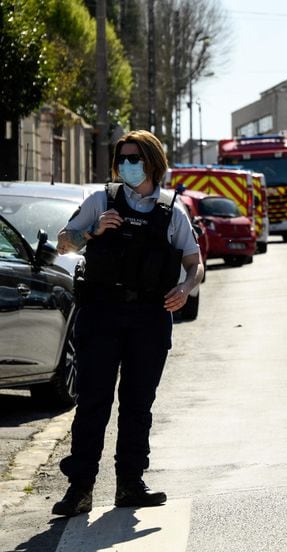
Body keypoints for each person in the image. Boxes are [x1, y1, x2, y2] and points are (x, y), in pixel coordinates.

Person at [52, 130, 205, 516]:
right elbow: (62, 243)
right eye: (122, 158)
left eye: (134, 158)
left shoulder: (173, 210)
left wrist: (186, 288)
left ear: (152, 162)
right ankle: (80, 488)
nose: (127, 165)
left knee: (138, 404)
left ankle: (130, 484)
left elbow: (194, 262)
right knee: (93, 402)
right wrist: (92, 231)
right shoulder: (102, 200)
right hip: (101, 313)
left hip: (150, 318)